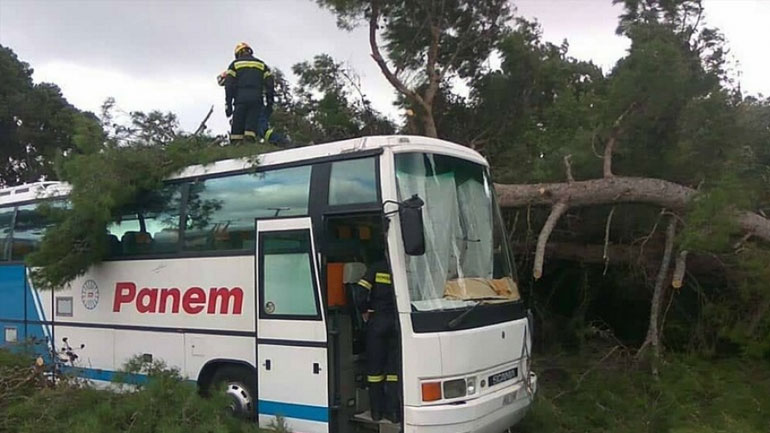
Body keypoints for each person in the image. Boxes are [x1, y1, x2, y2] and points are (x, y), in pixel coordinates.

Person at [353, 260, 400, 423]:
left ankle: (376, 413)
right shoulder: (401, 267)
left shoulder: (375, 268)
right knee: (393, 371)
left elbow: (359, 292)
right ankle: (394, 413)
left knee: (375, 372)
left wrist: (364, 310)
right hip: (396, 323)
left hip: (377, 322)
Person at [222, 42, 274, 143]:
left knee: (236, 132)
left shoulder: (234, 65)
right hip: (256, 100)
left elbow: (228, 86)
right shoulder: (262, 65)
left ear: (238, 54)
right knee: (250, 131)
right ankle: (250, 149)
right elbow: (270, 84)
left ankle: (237, 149)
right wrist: (270, 101)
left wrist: (228, 104)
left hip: (240, 100)